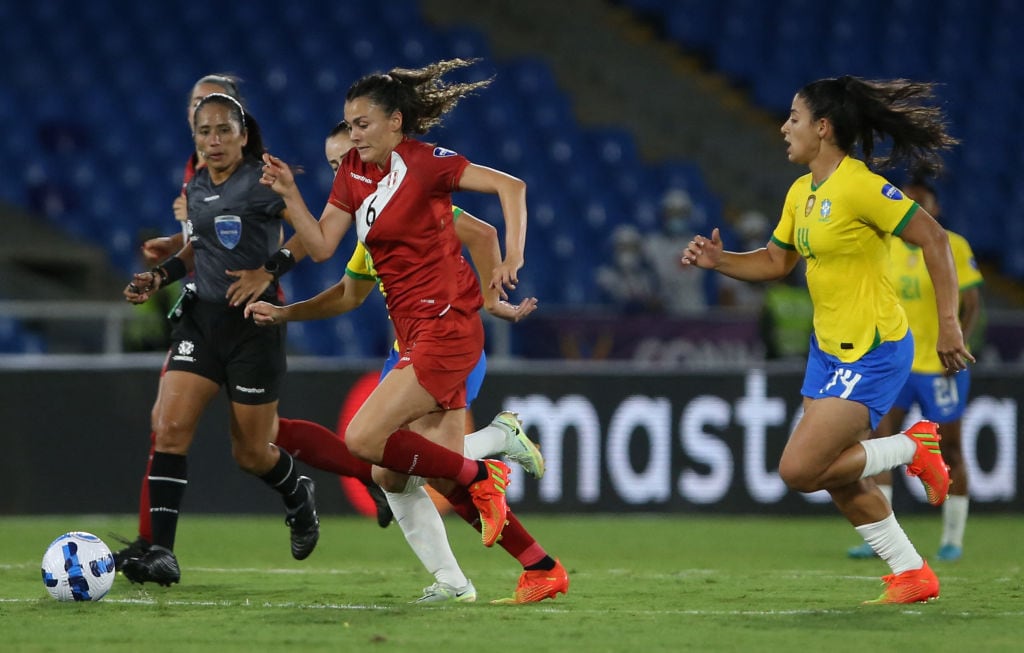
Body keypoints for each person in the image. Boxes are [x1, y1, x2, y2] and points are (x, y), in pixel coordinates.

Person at [258, 58, 569, 603]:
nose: (353, 138)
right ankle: (539, 566)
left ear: (396, 122)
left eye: (362, 125)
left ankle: (481, 470)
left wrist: (510, 263)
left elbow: (510, 188)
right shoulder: (355, 179)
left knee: (364, 440)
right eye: (348, 126)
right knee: (400, 475)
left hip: (445, 326)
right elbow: (323, 246)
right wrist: (289, 196)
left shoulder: (425, 166)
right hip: (418, 333)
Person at [681, 75, 973, 604]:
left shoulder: (860, 186)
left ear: (823, 127)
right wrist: (718, 261)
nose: (783, 127)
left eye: (793, 118)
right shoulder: (801, 193)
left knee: (798, 470)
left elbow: (932, 237)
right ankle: (912, 574)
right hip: (827, 352)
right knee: (835, 477)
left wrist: (949, 323)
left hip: (874, 348)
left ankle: (913, 445)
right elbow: (776, 261)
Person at [118, 93, 336, 586]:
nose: (213, 141)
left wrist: (268, 269)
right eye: (204, 132)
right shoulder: (196, 186)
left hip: (253, 328)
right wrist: (160, 276)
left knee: (252, 453)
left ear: (242, 134)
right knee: (169, 427)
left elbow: (313, 235)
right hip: (202, 322)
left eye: (223, 131)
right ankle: (161, 553)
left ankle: (298, 491)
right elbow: (200, 248)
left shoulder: (263, 180)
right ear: (194, 139)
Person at [847, 176, 984, 562]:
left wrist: (958, 342)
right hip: (895, 365)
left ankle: (952, 538)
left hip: (940, 366)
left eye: (921, 202)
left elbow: (971, 303)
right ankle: (880, 539)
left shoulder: (951, 244)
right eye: (907, 203)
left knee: (951, 449)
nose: (913, 209)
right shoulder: (884, 245)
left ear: (935, 209)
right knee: (876, 446)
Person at [643, 187, 714, 315]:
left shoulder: (699, 244)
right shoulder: (651, 244)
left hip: (695, 311)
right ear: (664, 215)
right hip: (664, 314)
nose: (676, 218)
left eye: (681, 213)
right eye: (672, 213)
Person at [595, 224, 663, 314]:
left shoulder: (647, 278)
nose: (627, 252)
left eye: (632, 248)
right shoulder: (605, 276)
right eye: (623, 248)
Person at [758, 259, 813, 361]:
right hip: (805, 358)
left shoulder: (772, 295)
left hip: (777, 357)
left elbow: (764, 328)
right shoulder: (807, 297)